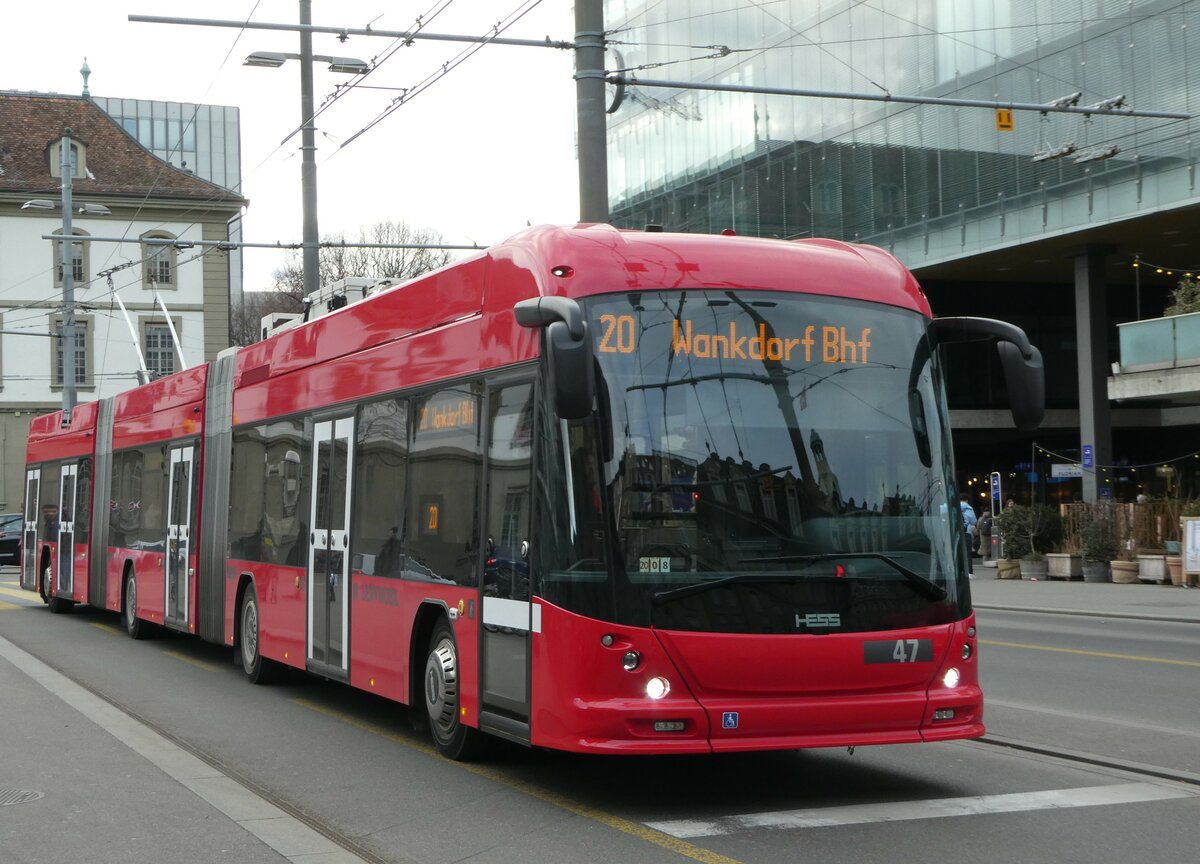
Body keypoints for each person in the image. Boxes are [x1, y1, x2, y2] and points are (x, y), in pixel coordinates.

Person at [959, 495, 977, 577]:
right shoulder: (969, 508)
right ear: (966, 500)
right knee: (967, 553)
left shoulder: (952, 506)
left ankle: (959, 571)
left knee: (957, 552)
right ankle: (969, 572)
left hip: (956, 532)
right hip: (966, 532)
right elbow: (974, 521)